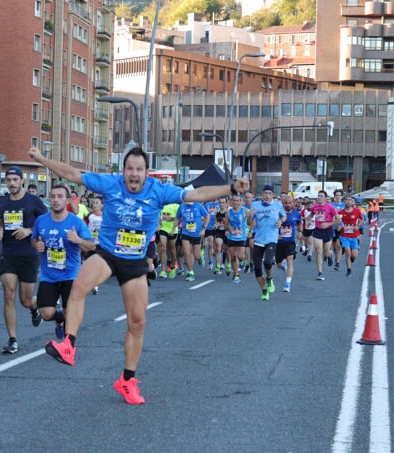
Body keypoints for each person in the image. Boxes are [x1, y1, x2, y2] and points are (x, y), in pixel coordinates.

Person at [29, 146, 249, 405]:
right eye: (129, 169)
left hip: (135, 262)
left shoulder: (159, 190)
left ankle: (127, 380)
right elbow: (74, 175)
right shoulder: (111, 184)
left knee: (137, 322)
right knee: (79, 286)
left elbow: (197, 194)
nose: (133, 174)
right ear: (123, 171)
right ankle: (68, 344)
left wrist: (231, 188)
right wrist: (42, 160)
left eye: (139, 170)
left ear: (147, 172)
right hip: (109, 253)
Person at [0, 165, 48, 354]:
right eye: (8, 180)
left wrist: (29, 231)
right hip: (9, 254)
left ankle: (35, 307)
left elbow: (47, 223)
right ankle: (13, 339)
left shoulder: (33, 201)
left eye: (15, 180)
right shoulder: (3, 201)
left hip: (29, 255)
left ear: (22, 181)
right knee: (8, 295)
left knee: (25, 300)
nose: (11, 184)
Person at [30, 184, 95, 339]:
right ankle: (58, 320)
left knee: (69, 312)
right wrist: (37, 245)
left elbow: (91, 245)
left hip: (70, 274)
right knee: (46, 313)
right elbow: (33, 239)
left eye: (60, 197)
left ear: (67, 200)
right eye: (53, 197)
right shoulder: (41, 220)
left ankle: (67, 345)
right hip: (49, 274)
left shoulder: (76, 222)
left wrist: (78, 239)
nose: (56, 200)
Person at [248, 185, 285, 301]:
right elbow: (249, 222)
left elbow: (284, 216)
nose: (267, 195)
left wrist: (280, 221)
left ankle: (269, 278)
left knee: (268, 262)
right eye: (265, 193)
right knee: (257, 268)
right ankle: (264, 290)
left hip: (271, 238)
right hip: (259, 239)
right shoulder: (255, 205)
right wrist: (250, 216)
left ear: (273, 195)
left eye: (269, 193)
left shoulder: (277, 205)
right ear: (262, 194)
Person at [177, 199, 209, 282]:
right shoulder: (182, 207)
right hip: (185, 232)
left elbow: (207, 216)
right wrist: (173, 228)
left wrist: (204, 228)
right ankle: (190, 272)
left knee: (196, 255)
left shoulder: (198, 206)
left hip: (196, 233)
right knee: (186, 252)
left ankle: (200, 258)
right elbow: (177, 218)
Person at [277, 192, 302, 292]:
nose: (287, 204)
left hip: (290, 242)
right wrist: (276, 234)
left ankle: (287, 284)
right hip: (279, 242)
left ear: (293, 203)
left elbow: (300, 223)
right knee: (278, 264)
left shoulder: (296, 213)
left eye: (289, 202)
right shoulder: (279, 213)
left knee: (290, 260)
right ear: (283, 203)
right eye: (285, 203)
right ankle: (282, 266)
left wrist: (300, 232)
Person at [336, 195, 366, 277]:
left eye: (350, 200)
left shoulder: (356, 211)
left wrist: (357, 225)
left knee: (354, 255)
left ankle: (352, 258)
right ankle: (349, 269)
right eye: (347, 200)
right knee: (347, 251)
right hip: (344, 236)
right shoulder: (341, 212)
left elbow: (362, 220)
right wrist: (338, 226)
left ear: (352, 202)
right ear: (344, 201)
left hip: (354, 236)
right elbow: (337, 222)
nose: (348, 201)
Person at [310, 190, 338, 281]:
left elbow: (339, 220)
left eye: (321, 196)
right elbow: (310, 215)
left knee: (326, 252)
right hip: (317, 230)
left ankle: (329, 256)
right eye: (318, 195)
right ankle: (320, 272)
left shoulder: (330, 207)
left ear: (325, 198)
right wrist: (309, 220)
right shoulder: (315, 207)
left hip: (328, 230)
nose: (319, 197)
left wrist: (329, 224)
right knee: (318, 251)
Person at [223, 193, 250, 284]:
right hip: (231, 237)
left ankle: (243, 261)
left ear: (241, 202)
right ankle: (236, 274)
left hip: (242, 237)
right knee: (233, 257)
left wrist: (249, 230)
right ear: (231, 202)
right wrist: (228, 228)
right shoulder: (228, 212)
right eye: (234, 201)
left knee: (240, 256)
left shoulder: (245, 211)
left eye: (238, 201)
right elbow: (225, 224)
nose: (236, 202)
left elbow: (250, 222)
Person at [156, 200, 180, 278]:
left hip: (173, 230)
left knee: (172, 249)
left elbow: (181, 217)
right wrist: (159, 225)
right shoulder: (160, 204)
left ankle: (173, 266)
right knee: (163, 248)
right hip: (163, 229)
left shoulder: (175, 206)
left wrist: (171, 218)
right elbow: (158, 216)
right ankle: (163, 270)